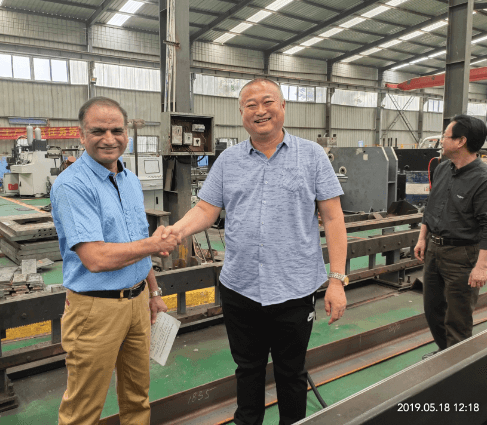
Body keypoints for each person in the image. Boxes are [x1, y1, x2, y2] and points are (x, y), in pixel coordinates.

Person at [161, 78, 348, 424]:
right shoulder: (228, 161)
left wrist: (336, 280)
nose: (260, 111)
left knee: (291, 373)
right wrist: (176, 231)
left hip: (293, 289)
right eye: (251, 105)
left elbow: (334, 218)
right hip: (241, 288)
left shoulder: (312, 156)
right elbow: (206, 210)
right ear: (241, 113)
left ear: (283, 107)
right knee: (248, 370)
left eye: (267, 102)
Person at [50, 96, 178, 425]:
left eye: (117, 130)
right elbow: (94, 258)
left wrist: (153, 292)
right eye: (98, 131)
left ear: (127, 134)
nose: (109, 139)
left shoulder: (129, 180)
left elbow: (136, 241)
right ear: (81, 135)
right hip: (96, 310)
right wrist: (154, 244)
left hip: (138, 303)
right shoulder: (72, 185)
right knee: (83, 408)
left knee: (137, 397)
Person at [414, 114, 487, 359]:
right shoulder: (442, 168)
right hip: (434, 249)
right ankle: (445, 354)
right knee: (433, 310)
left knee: (458, 318)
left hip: (462, 255)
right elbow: (431, 206)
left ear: (461, 141)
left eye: (445, 136)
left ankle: (457, 368)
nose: (441, 140)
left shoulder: (485, 180)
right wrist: (422, 238)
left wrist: (481, 267)